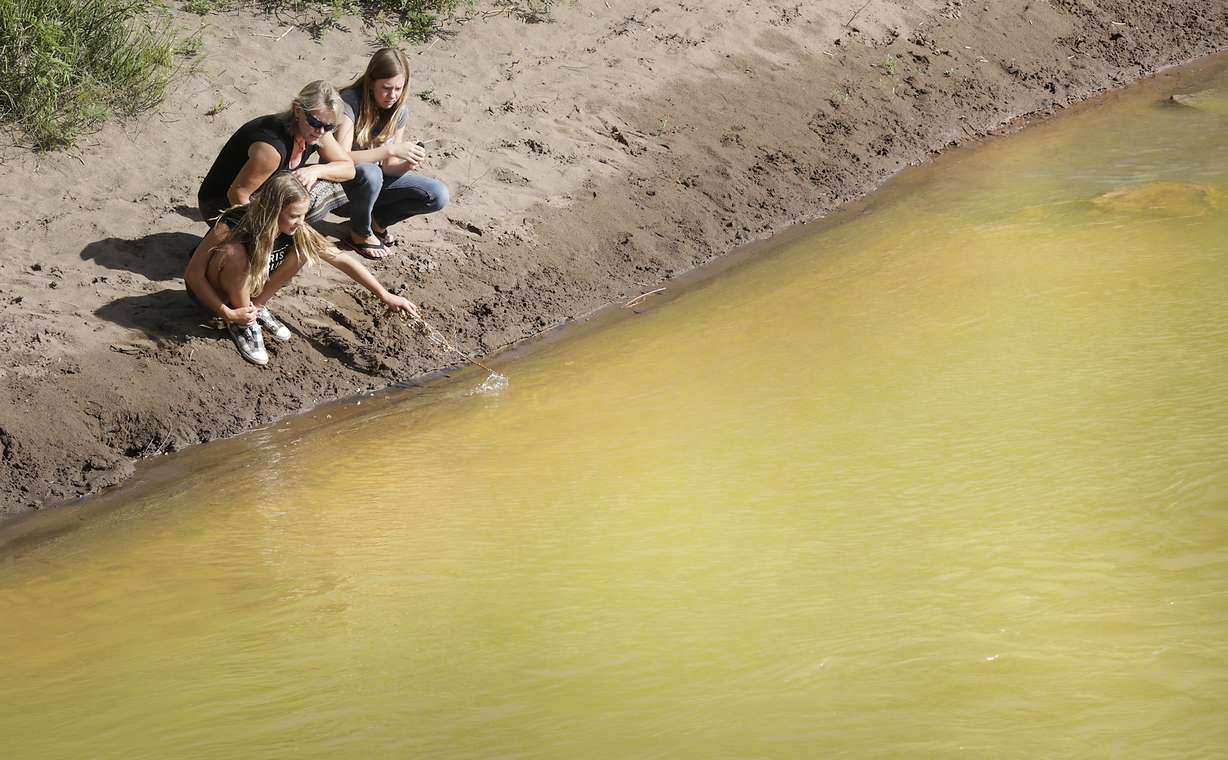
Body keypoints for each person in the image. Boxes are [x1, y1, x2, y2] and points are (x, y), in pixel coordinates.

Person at [185, 172, 419, 366]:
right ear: (272, 211)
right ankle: (242, 321)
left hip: (248, 286)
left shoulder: (296, 229)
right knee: (236, 253)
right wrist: (227, 312)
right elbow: (193, 275)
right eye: (294, 216)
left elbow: (342, 260)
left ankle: (256, 307)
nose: (300, 222)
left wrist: (385, 295)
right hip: (213, 294)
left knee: (303, 250)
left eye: (303, 215)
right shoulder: (232, 224)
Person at [331, 48, 450, 259]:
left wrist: (407, 163)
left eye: (398, 88)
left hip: (374, 187)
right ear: (371, 82)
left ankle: (376, 223)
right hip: (341, 188)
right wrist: (389, 149)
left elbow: (388, 167)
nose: (392, 96)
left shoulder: (399, 111)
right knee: (371, 173)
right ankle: (359, 233)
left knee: (438, 194)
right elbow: (340, 157)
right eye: (386, 88)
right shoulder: (350, 102)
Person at [197, 80, 354, 225]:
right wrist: (266, 230)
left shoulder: (317, 132)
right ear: (297, 110)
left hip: (263, 194)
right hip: (220, 205)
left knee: (323, 186)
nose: (320, 131)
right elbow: (237, 195)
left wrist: (315, 170)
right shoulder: (271, 149)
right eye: (315, 122)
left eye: (329, 127)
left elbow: (348, 168)